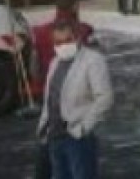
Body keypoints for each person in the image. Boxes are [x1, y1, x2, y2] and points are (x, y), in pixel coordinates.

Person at [36, 19, 113, 179]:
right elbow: (50, 97)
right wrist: (43, 127)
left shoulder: (93, 60)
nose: (63, 45)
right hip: (54, 136)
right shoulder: (55, 62)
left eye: (67, 40)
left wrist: (83, 127)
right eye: (58, 42)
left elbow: (105, 97)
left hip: (77, 138)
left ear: (77, 38)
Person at [30, 0, 98, 101]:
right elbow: (95, 62)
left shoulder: (38, 32)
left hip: (48, 88)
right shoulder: (85, 30)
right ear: (75, 6)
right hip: (77, 90)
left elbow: (34, 67)